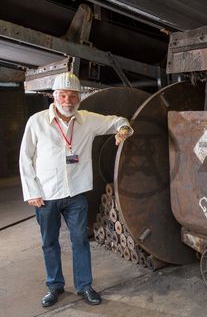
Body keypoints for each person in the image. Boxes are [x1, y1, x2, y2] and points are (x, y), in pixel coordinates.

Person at [19, 72, 133, 307]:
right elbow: (25, 158)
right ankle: (55, 286)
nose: (68, 101)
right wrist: (32, 192)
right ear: (54, 96)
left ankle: (84, 286)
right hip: (46, 196)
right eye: (63, 95)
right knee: (49, 243)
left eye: (73, 96)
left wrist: (123, 130)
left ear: (79, 97)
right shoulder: (37, 122)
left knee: (80, 241)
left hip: (76, 195)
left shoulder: (87, 120)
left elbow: (118, 120)